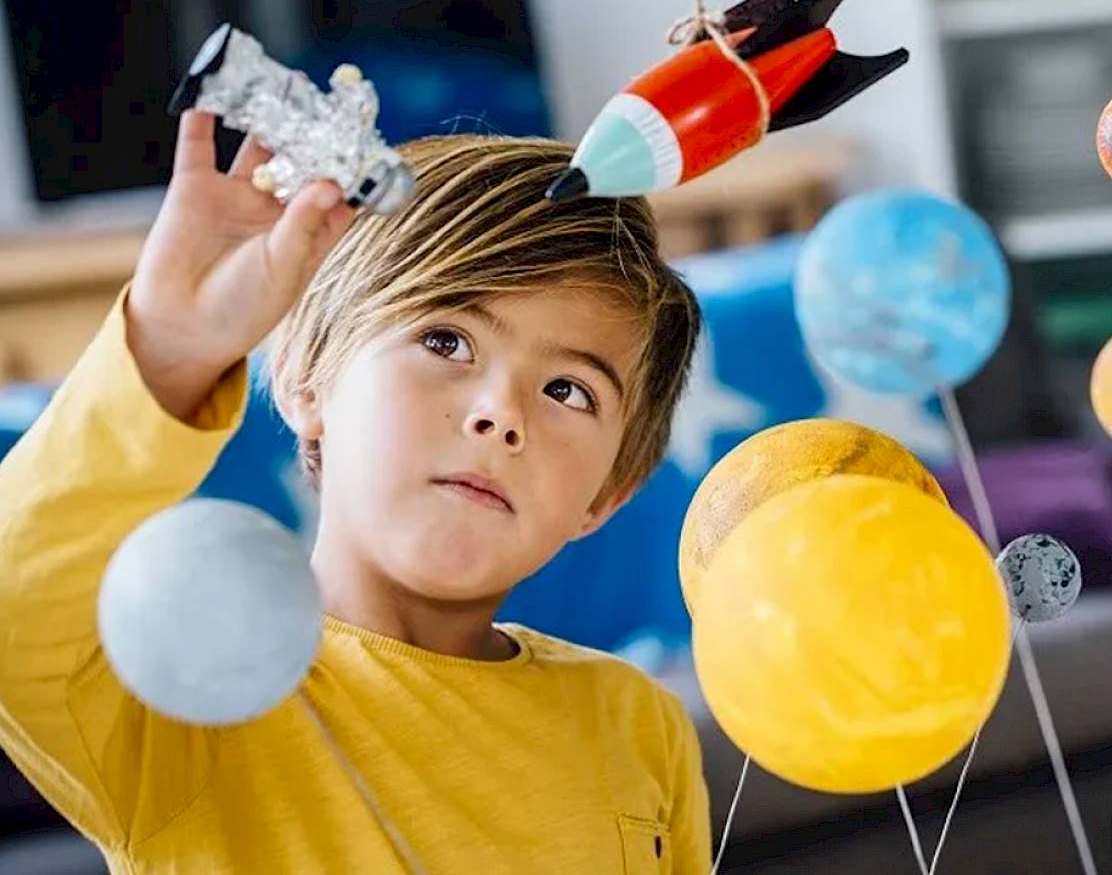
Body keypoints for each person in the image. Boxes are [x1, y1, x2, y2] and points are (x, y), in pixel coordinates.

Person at [0, 110, 710, 872]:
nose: (500, 415)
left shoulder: (640, 725)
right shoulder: (190, 698)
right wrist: (171, 351)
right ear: (307, 374)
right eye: (447, 341)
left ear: (608, 495)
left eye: (568, 390)